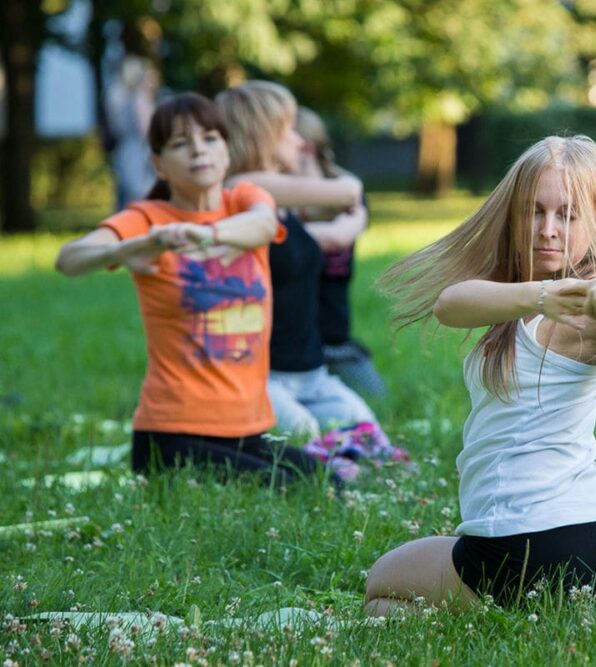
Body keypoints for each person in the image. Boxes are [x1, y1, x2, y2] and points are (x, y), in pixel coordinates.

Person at [364, 135, 596, 616]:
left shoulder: (595, 306)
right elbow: (450, 305)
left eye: (567, 215)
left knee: (381, 588)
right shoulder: (526, 298)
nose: (548, 230)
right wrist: (542, 295)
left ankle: (491, 615)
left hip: (527, 543)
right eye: (534, 211)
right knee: (405, 598)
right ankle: (504, 618)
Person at [54, 93, 316, 483]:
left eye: (210, 138)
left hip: (249, 426)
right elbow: (69, 259)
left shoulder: (244, 199)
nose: (199, 150)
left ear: (227, 150)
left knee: (326, 481)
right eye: (180, 143)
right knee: (289, 487)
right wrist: (131, 248)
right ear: (158, 164)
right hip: (173, 434)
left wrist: (206, 233)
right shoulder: (148, 219)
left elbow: (263, 224)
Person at [215, 81, 378, 440]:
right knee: (305, 439)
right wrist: (353, 212)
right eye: (288, 130)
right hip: (262, 376)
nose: (300, 141)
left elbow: (317, 237)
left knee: (369, 435)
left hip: (309, 374)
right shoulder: (239, 188)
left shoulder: (276, 206)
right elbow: (349, 190)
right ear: (263, 135)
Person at [295, 107, 387, 399]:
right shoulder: (268, 199)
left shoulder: (345, 189)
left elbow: (346, 226)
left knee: (378, 401)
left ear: (304, 145)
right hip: (287, 346)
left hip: (336, 343)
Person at [104, 55, 159, 209]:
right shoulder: (139, 97)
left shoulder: (116, 94)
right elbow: (145, 129)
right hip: (138, 148)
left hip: (124, 147)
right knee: (139, 189)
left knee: (126, 190)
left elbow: (114, 126)